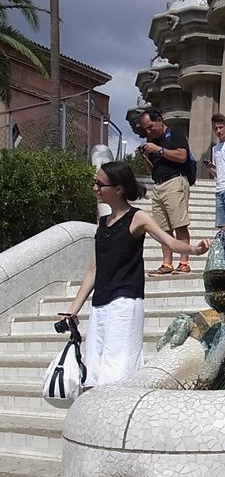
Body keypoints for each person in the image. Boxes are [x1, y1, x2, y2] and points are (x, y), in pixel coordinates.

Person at [62, 161, 210, 387]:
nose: (95, 188)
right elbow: (94, 270)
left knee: (118, 373)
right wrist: (72, 311)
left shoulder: (137, 218)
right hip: (99, 305)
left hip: (124, 303)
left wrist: (194, 250)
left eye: (99, 184)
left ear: (118, 189)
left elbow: (169, 241)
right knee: (93, 372)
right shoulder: (103, 223)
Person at [137, 109, 193, 276]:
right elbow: (153, 170)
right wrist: (145, 158)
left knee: (179, 224)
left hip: (175, 182)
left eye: (150, 127)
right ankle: (167, 263)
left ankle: (184, 263)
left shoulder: (174, 133)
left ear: (160, 120)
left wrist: (158, 150)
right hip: (158, 185)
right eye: (145, 129)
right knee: (163, 229)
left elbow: (182, 156)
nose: (149, 132)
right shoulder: (153, 141)